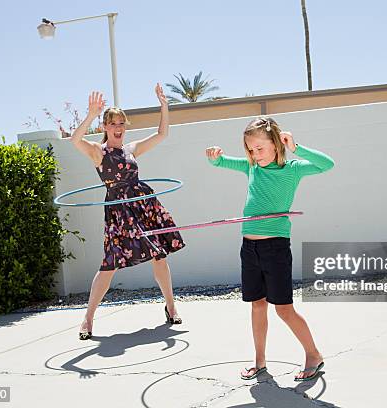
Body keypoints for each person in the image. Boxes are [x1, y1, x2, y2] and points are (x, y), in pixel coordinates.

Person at [205, 117, 334, 381]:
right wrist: (215, 157)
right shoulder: (253, 167)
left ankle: (313, 354)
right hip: (249, 247)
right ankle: (259, 361)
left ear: (276, 144)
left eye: (259, 149)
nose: (254, 154)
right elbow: (223, 162)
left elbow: (327, 164)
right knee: (257, 305)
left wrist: (297, 147)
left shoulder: (293, 169)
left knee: (283, 309)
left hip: (275, 247)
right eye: (250, 150)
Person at [71, 84, 185, 340]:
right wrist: (90, 115)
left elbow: (161, 134)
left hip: (143, 206)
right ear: (105, 127)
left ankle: (171, 306)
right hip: (119, 213)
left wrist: (164, 105)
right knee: (109, 265)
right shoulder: (98, 153)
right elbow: (74, 140)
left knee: (160, 255)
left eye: (122, 123)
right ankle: (88, 318)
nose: (119, 127)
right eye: (113, 123)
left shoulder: (130, 150)